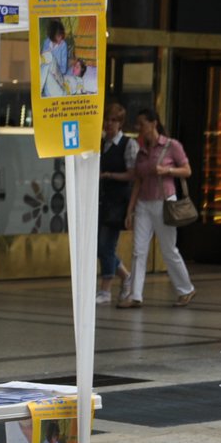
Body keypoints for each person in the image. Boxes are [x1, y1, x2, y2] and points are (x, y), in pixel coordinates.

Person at [118, 107, 196, 308]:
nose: (139, 128)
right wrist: (130, 209)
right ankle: (135, 295)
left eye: (142, 123)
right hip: (144, 203)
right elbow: (137, 180)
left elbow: (187, 170)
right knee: (138, 250)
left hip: (165, 202)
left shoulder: (171, 146)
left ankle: (185, 289)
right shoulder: (141, 150)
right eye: (138, 124)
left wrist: (166, 170)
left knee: (168, 248)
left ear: (154, 123)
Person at [96, 103, 136, 305]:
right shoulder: (102, 144)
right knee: (98, 247)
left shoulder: (128, 144)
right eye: (107, 120)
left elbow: (132, 174)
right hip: (102, 200)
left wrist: (110, 175)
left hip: (118, 201)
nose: (109, 124)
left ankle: (105, 290)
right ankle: (126, 276)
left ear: (120, 123)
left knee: (106, 245)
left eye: (113, 120)